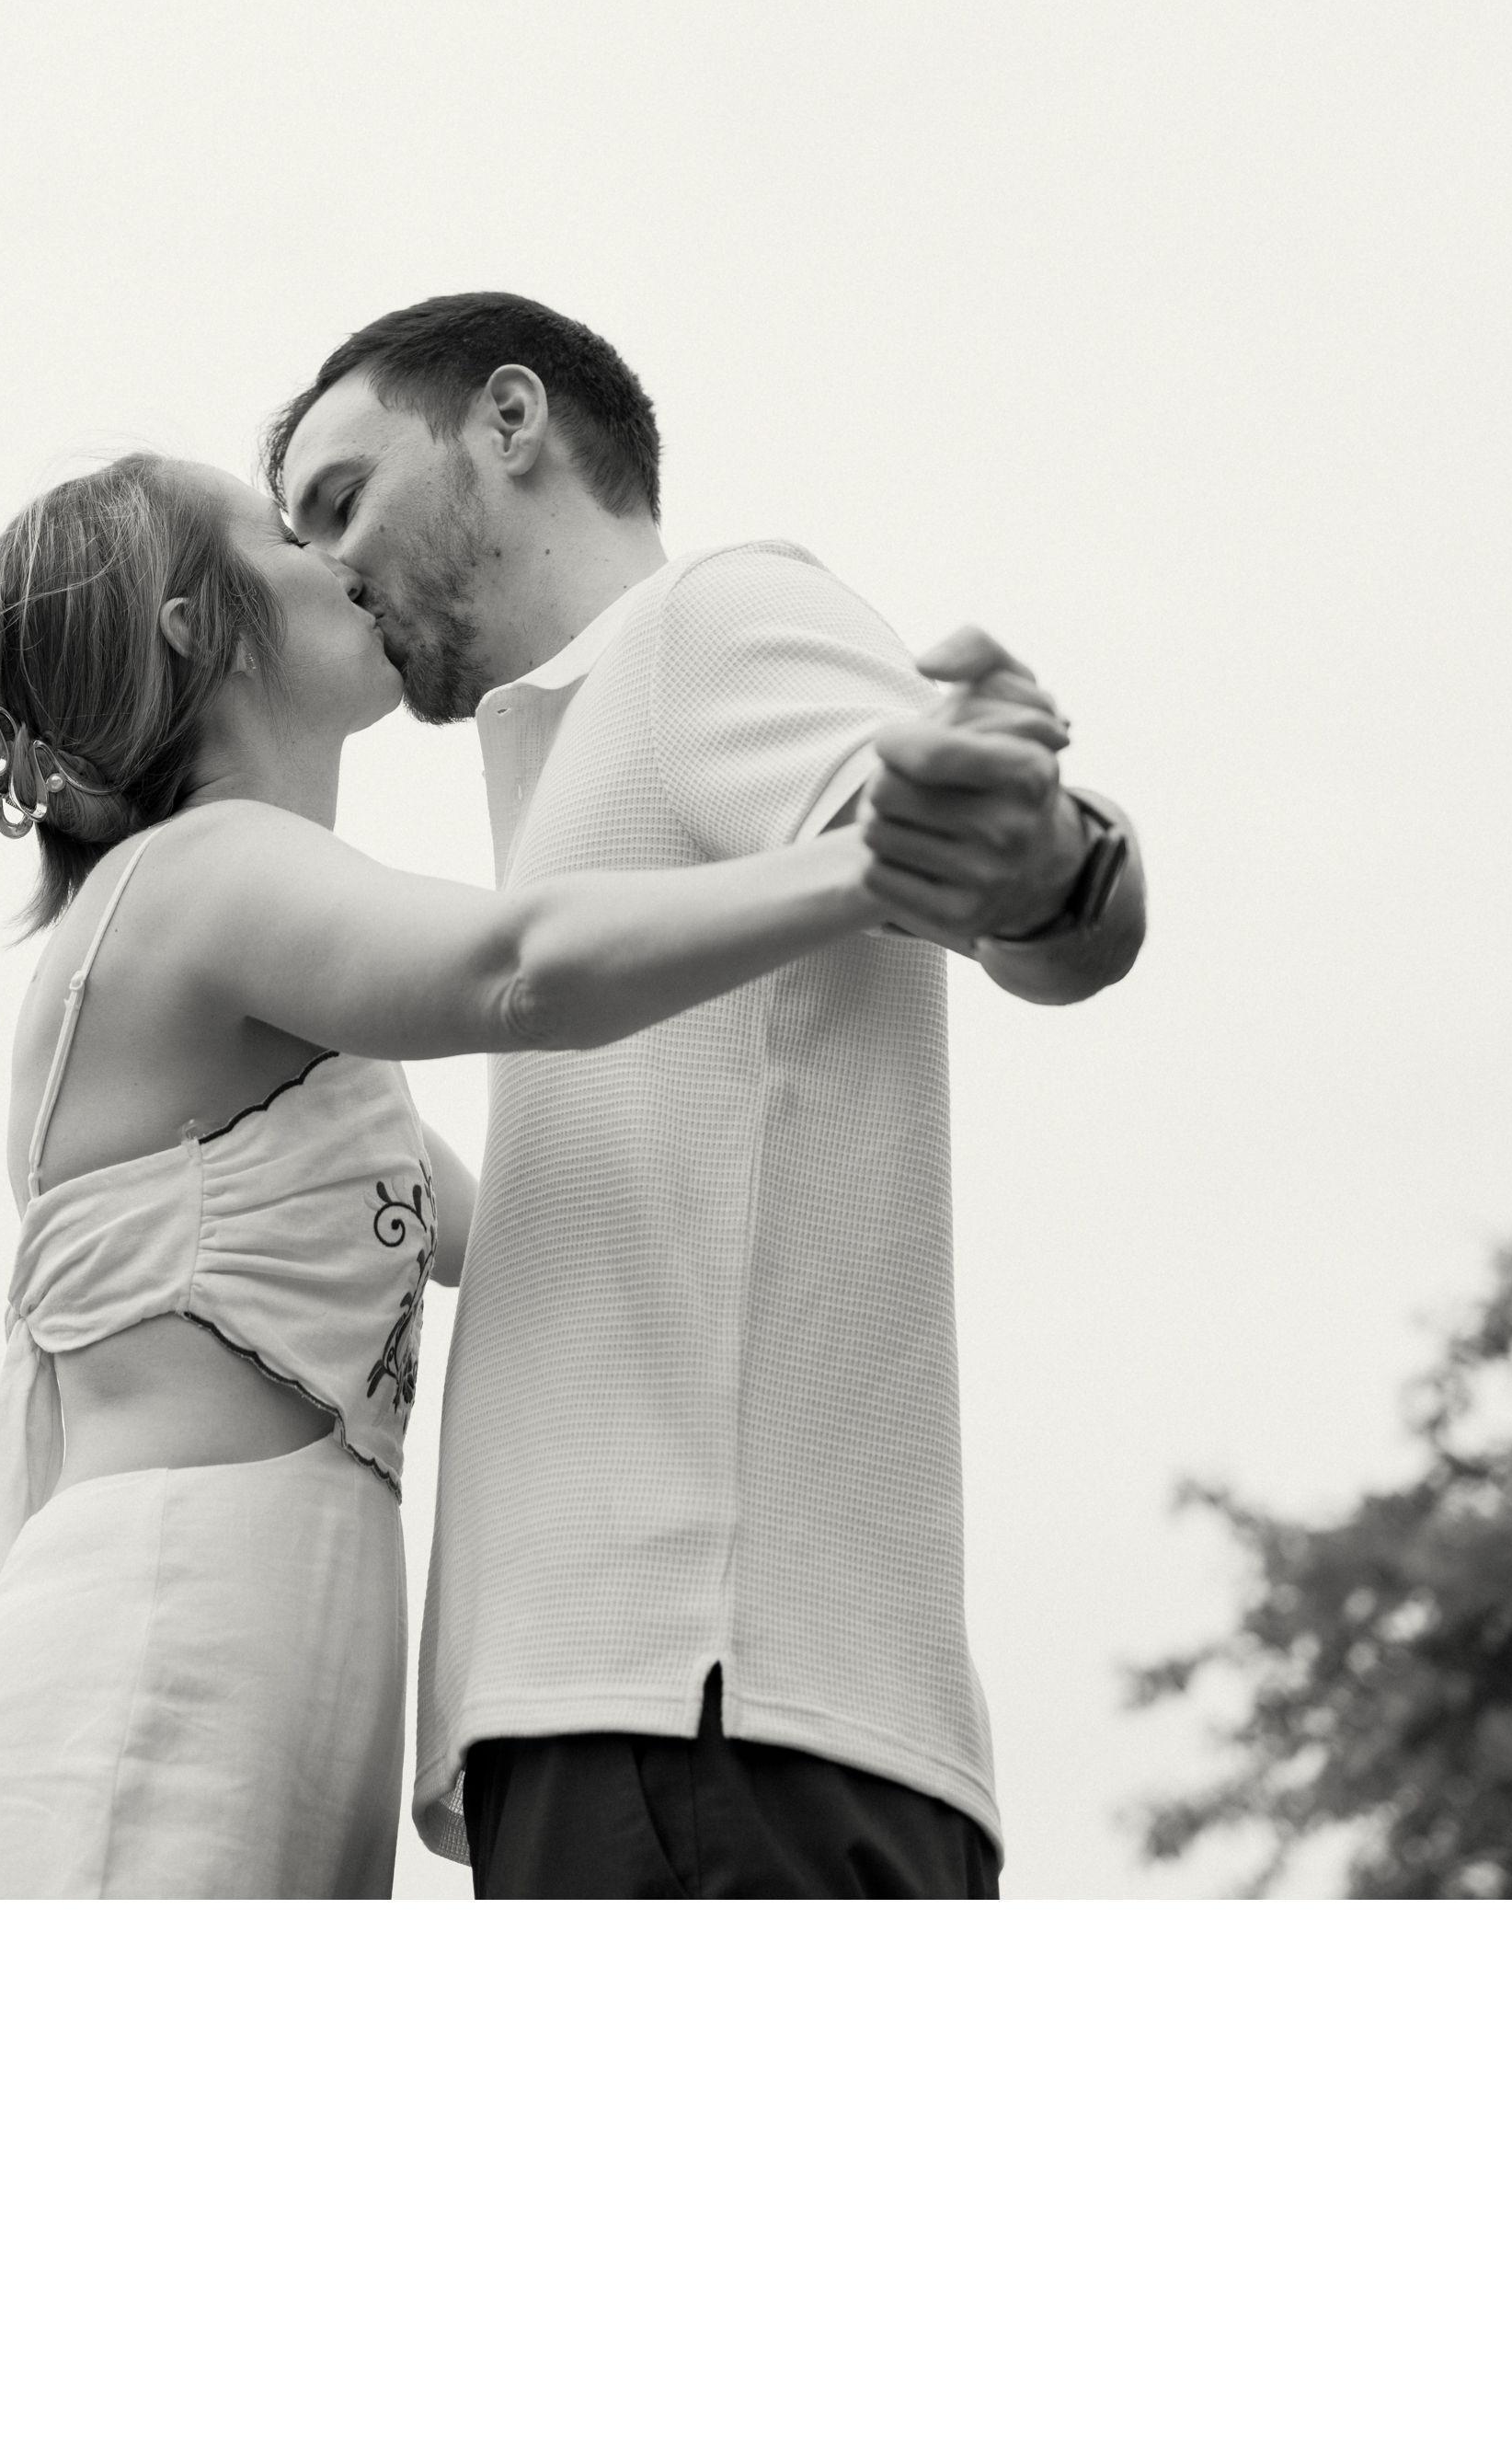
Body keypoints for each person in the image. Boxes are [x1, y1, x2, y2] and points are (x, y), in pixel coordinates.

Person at [0, 448, 934, 1899]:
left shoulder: (263, 1006)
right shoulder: (198, 874)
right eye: (286, 537)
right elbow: (523, 968)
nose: (339, 561)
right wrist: (883, 858)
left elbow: (537, 1212)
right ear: (194, 622)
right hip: (144, 1685)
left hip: (263, 1687)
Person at [265, 293, 1147, 1899]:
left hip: (705, 1707)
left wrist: (1051, 861)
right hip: (661, 1722)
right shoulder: (573, 759)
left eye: (342, 498)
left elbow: (1026, 890)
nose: (327, 566)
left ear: (510, 420)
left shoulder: (708, 623)